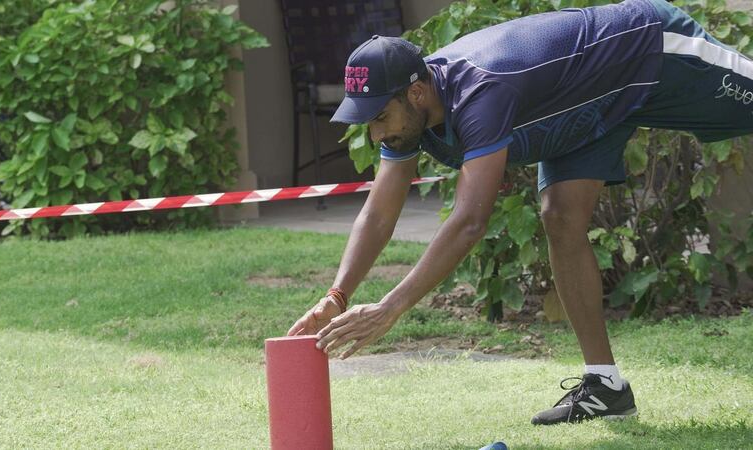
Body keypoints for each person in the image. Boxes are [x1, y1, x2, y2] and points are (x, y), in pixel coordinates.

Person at [287, 0, 753, 425]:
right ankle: (606, 387)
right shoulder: (407, 122)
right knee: (561, 218)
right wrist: (338, 294)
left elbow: (471, 221)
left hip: (648, 50)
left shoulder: (480, 92)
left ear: (415, 95)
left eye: (379, 119)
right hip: (583, 111)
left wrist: (391, 308)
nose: (375, 135)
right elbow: (378, 215)